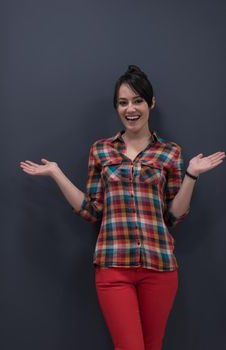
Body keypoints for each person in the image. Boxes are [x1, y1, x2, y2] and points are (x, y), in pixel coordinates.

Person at [20, 65, 225, 350]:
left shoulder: (170, 152)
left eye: (138, 100)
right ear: (116, 107)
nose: (131, 108)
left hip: (160, 267)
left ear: (151, 103)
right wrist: (57, 173)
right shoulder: (101, 150)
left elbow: (173, 215)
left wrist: (191, 174)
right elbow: (92, 211)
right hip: (113, 268)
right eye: (123, 102)